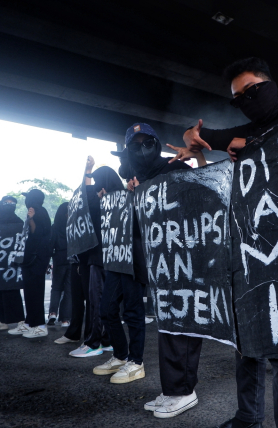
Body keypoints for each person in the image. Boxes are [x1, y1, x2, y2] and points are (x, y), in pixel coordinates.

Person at [182, 59, 278, 428]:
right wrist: (197, 139)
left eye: (252, 90)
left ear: (270, 84)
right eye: (238, 98)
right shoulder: (246, 133)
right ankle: (248, 417)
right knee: (245, 340)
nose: (247, 100)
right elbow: (200, 136)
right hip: (245, 250)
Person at [119, 123, 201, 419]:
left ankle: (184, 390)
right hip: (160, 266)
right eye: (135, 144)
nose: (142, 149)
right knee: (167, 325)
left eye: (147, 142)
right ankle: (172, 388)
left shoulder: (174, 169)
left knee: (182, 324)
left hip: (185, 262)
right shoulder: (139, 181)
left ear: (157, 143)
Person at [90, 165, 147, 384]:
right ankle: (121, 355)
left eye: (100, 184)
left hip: (132, 261)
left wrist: (135, 197)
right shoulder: (104, 201)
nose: (98, 189)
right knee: (107, 309)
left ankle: (136, 361)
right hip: (115, 262)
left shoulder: (134, 196)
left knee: (133, 311)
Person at [68, 156, 112, 357]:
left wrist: (88, 170)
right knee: (104, 302)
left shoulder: (100, 202)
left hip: (99, 260)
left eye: (98, 182)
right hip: (105, 259)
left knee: (96, 302)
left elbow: (86, 194)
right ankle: (106, 340)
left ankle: (94, 343)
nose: (96, 188)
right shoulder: (108, 200)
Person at [8, 189, 52, 338]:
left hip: (37, 260)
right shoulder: (35, 211)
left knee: (35, 292)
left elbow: (38, 233)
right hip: (30, 260)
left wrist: (32, 218)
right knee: (29, 292)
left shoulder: (41, 212)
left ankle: (40, 325)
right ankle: (30, 322)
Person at [0, 196, 27, 332]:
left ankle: (20, 321)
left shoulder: (20, 223)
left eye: (12, 203)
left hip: (11, 265)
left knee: (12, 291)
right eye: (6, 203)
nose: (9, 205)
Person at [48, 202, 72, 327]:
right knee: (69, 290)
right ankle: (65, 319)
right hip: (73, 260)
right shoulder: (75, 225)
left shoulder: (55, 227)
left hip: (58, 259)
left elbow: (50, 245)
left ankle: (53, 312)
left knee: (56, 288)